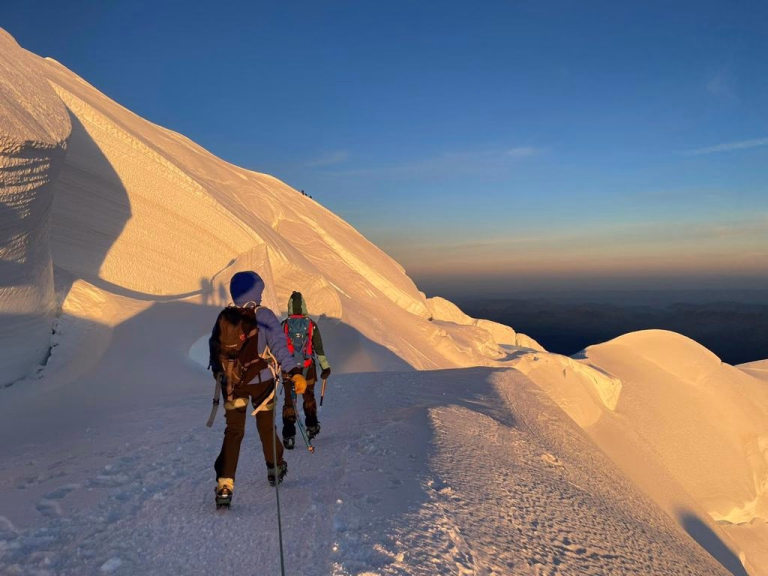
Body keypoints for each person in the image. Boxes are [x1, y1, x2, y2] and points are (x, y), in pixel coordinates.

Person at [209, 271, 308, 508]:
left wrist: (225, 377)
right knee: (265, 428)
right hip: (262, 384)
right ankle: (275, 468)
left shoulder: (224, 316)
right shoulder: (264, 315)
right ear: (254, 291)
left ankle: (225, 485)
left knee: (234, 431)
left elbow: (214, 352)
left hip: (233, 386)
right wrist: (294, 372)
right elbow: (279, 348)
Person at [281, 291, 331, 449]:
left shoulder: (284, 325)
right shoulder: (311, 325)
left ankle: (289, 435)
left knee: (289, 401)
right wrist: (325, 367)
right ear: (304, 306)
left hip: (289, 369)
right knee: (308, 397)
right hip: (308, 368)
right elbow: (318, 348)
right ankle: (311, 426)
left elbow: (279, 349)